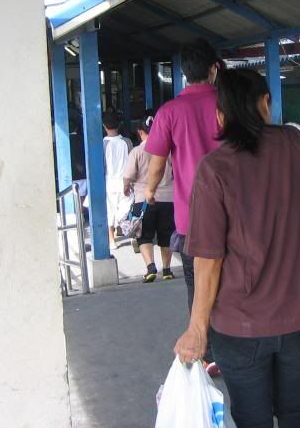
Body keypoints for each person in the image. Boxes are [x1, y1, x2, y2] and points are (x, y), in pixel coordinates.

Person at [174, 68, 300, 428]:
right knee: (298, 411)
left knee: (252, 418)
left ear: (220, 116)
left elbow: (208, 260)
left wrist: (197, 328)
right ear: (266, 103)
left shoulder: (215, 169)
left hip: (240, 329)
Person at [144, 38, 222, 373]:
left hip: (192, 219)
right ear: (214, 69)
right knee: (236, 282)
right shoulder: (230, 105)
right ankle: (239, 348)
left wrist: (150, 191)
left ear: (183, 72)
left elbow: (157, 164)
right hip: (235, 214)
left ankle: (208, 353)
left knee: (198, 284)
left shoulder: (170, 111)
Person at [123, 115, 175, 283]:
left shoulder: (137, 152)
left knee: (144, 235)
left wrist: (125, 189)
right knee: (166, 234)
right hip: (168, 199)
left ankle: (151, 267)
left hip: (143, 200)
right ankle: (166, 269)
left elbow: (128, 177)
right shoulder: (168, 151)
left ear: (140, 132)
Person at [102, 109, 131, 244]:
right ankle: (127, 230)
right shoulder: (127, 142)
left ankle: (111, 239)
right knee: (125, 209)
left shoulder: (102, 144)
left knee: (110, 210)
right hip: (125, 182)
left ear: (104, 126)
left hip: (109, 182)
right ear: (119, 124)